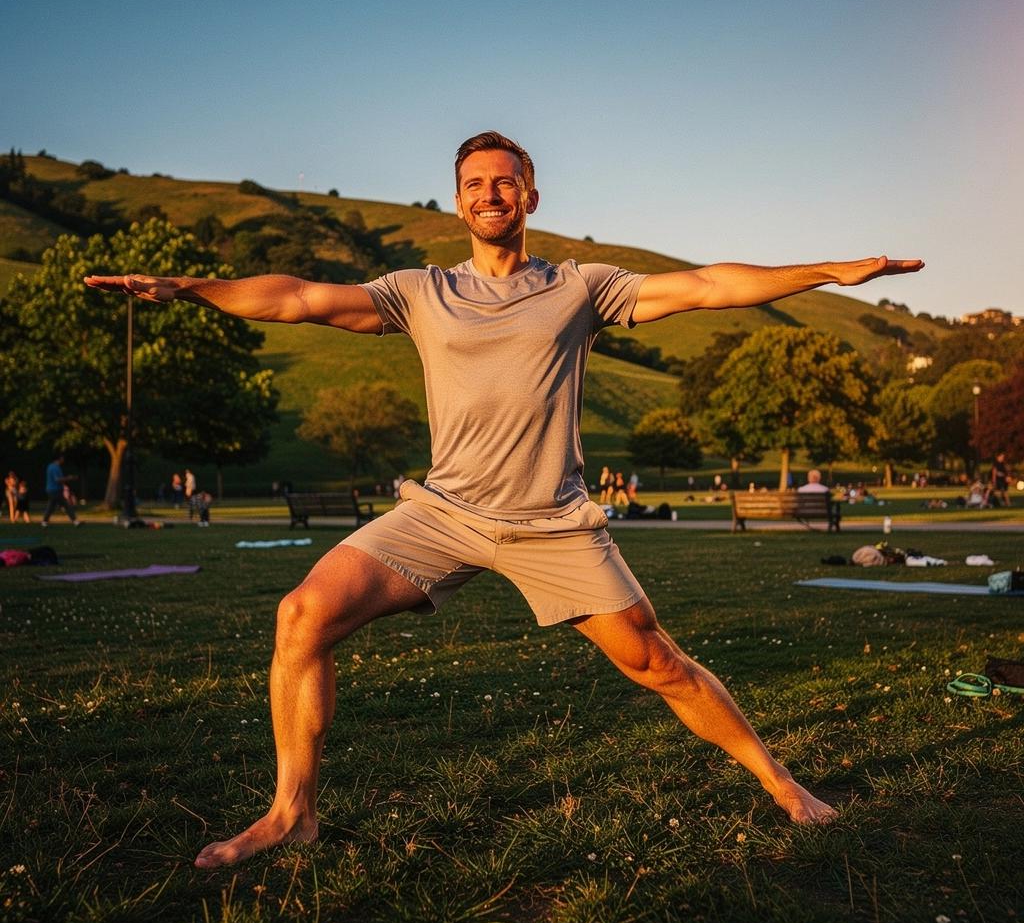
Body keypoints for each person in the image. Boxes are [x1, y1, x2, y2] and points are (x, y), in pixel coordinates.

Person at [85, 129, 923, 869]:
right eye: (476, 183)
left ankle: (782, 784)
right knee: (300, 616)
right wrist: (189, 287)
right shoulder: (419, 291)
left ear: (530, 196)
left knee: (656, 662)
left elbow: (705, 286)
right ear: (458, 203)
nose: (491, 194)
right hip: (441, 513)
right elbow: (298, 299)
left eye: (506, 181)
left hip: (552, 523)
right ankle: (290, 815)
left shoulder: (582, 286)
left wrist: (829, 272)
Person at [40, 455, 80, 527]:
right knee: (66, 505)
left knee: (51, 506)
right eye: (62, 458)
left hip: (52, 489)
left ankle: (44, 522)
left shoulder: (50, 466)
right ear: (59, 458)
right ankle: (75, 521)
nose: (63, 459)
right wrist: (69, 478)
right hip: (55, 490)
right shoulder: (55, 467)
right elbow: (57, 479)